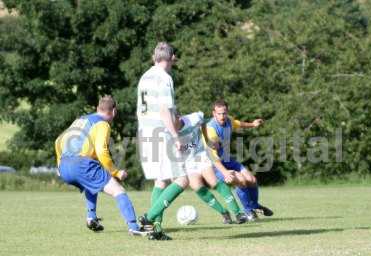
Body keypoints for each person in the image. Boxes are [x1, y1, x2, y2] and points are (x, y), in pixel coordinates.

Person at [55, 95, 147, 236]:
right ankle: (134, 227)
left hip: (64, 166)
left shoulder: (80, 120)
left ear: (98, 108)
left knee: (90, 184)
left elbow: (58, 140)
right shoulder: (103, 124)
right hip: (81, 164)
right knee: (118, 191)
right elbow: (102, 151)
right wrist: (116, 172)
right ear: (114, 112)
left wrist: (59, 164)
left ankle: (91, 218)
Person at [155, 112, 248, 225]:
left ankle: (238, 213)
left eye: (171, 121)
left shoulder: (193, 118)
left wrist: (207, 139)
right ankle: (224, 213)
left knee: (213, 181)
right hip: (187, 163)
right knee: (197, 187)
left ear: (179, 117)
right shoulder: (166, 132)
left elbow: (202, 121)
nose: (169, 124)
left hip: (201, 155)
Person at [136, 42, 188, 240]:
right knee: (182, 179)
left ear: (154, 57)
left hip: (145, 133)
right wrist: (175, 136)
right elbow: (164, 110)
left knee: (161, 180)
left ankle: (156, 230)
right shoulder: (164, 78)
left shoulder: (145, 76)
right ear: (172, 57)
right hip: (161, 133)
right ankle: (148, 218)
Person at [206, 99, 274, 220]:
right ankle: (248, 212)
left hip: (228, 160)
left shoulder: (229, 121)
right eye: (219, 113)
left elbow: (238, 123)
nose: (222, 116)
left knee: (252, 179)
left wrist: (252, 124)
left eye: (224, 113)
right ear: (213, 113)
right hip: (215, 165)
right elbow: (212, 156)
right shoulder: (211, 130)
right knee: (241, 180)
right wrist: (225, 172)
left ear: (227, 112)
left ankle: (255, 206)